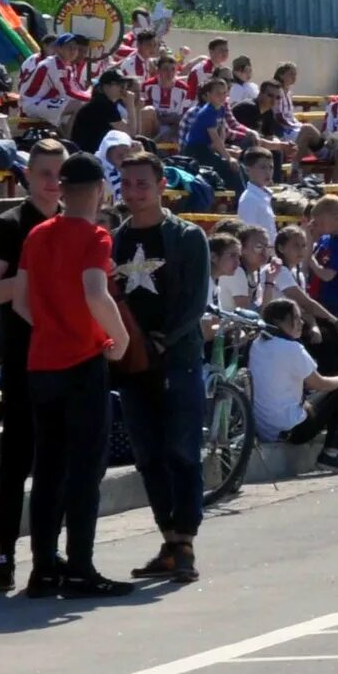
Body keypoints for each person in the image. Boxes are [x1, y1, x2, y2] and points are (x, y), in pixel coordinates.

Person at [14, 152, 133, 600]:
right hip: (81, 362)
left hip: (41, 362)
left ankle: (44, 567)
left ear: (62, 189)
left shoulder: (37, 234)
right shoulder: (95, 236)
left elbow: (22, 303)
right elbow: (94, 291)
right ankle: (80, 566)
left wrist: (51, 326)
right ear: (100, 190)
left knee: (47, 469)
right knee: (85, 471)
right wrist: (117, 338)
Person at [109, 151, 212, 584]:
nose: (134, 192)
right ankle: (169, 540)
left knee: (182, 452)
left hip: (179, 360)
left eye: (142, 184)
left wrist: (164, 339)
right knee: (148, 454)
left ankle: (185, 540)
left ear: (161, 186)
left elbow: (194, 301)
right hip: (133, 363)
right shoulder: (115, 239)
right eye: (127, 184)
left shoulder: (187, 237)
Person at [249, 297, 338, 470]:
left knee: (327, 404)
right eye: (295, 318)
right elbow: (318, 384)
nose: (301, 322)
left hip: (266, 428)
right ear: (278, 322)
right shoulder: (292, 348)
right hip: (291, 430)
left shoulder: (257, 344)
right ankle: (331, 454)